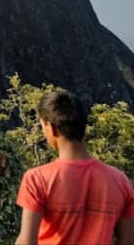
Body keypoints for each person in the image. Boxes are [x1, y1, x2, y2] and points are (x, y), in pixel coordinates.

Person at [15, 90, 134, 245]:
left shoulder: (37, 179)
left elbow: (27, 242)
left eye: (42, 126)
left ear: (51, 128)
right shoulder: (120, 181)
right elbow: (128, 241)